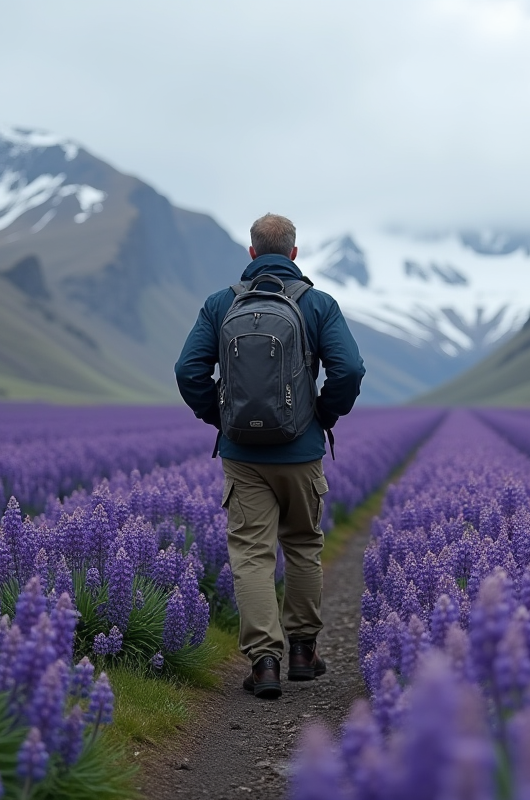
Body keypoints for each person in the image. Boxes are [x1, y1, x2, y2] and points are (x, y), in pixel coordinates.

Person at [175, 213, 365, 699]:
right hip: (300, 451)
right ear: (295, 254)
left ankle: (264, 663)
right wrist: (322, 415)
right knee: (303, 544)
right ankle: (303, 652)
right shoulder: (318, 304)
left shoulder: (221, 304)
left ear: (253, 253)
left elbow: (187, 370)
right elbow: (349, 368)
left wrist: (220, 417)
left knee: (253, 555)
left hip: (243, 454)